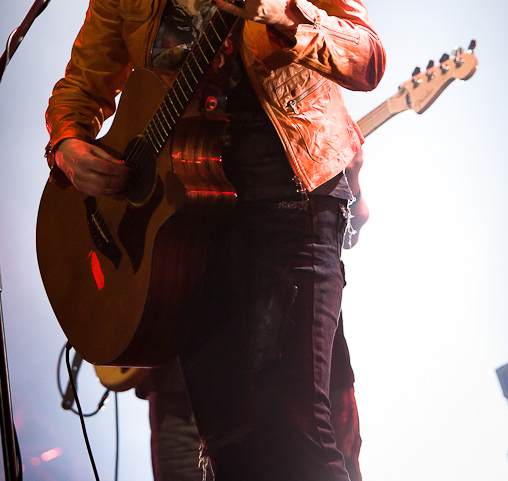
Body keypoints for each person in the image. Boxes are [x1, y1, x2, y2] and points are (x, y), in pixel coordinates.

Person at [45, 0, 385, 480]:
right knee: (228, 451)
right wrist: (71, 149)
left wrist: (283, 12)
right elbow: (81, 86)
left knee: (296, 436)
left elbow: (366, 58)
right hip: (184, 229)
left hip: (285, 200)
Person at [137, 148, 369, 481]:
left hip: (289, 337)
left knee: (310, 453)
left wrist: (352, 180)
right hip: (182, 369)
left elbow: (352, 220)